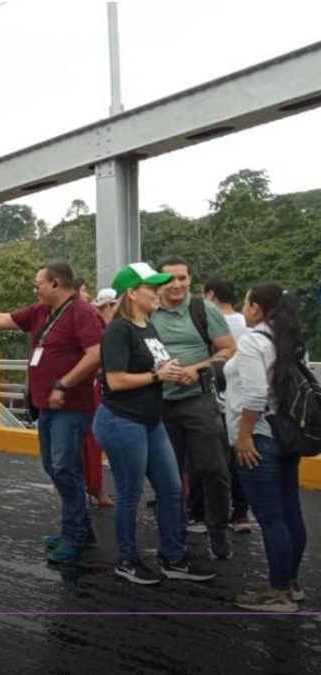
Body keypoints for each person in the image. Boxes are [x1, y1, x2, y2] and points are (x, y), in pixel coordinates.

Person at [0, 262, 104, 563]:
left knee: (64, 467)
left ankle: (74, 535)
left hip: (70, 406)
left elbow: (96, 352)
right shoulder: (41, 312)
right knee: (53, 466)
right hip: (46, 406)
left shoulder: (82, 312)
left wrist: (64, 384)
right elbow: (1, 318)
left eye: (38, 283)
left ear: (56, 283)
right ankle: (80, 528)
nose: (35, 289)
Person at [94, 263, 216, 585]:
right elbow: (116, 380)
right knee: (130, 493)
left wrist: (170, 369)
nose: (159, 291)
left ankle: (172, 558)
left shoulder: (148, 325)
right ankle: (127, 559)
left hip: (150, 420)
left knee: (171, 488)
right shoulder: (119, 330)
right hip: (122, 422)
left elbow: (155, 365)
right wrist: (156, 375)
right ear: (132, 293)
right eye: (152, 287)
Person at [227, 282, 308, 612]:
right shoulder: (286, 339)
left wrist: (244, 436)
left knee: (271, 517)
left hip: (259, 437)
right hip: (285, 435)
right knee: (289, 511)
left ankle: (278, 595)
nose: (244, 309)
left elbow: (256, 396)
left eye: (247, 303)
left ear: (257, 308)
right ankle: (289, 582)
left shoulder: (252, 342)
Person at [152, 257, 236, 560]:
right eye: (170, 279)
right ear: (158, 283)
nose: (177, 285)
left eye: (183, 278)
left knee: (215, 470)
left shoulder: (204, 309)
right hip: (159, 404)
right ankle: (174, 538)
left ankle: (217, 535)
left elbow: (228, 349)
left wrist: (197, 369)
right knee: (168, 476)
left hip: (198, 401)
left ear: (190, 279)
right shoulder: (148, 310)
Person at [201, 276, 252, 534]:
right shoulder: (248, 322)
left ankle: (208, 515)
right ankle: (241, 513)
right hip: (245, 402)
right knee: (238, 459)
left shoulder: (209, 322)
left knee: (213, 463)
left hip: (216, 400)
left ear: (210, 295)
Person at [83, 289, 118, 508]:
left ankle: (95, 486)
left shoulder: (110, 327)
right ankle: (94, 487)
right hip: (93, 389)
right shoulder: (96, 324)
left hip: (107, 392)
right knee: (90, 441)